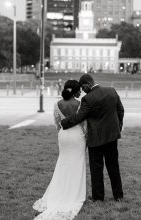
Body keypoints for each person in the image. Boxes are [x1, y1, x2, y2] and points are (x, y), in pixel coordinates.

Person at [60, 74, 124, 202]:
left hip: (96, 139)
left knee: (96, 168)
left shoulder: (88, 99)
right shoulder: (111, 91)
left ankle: (98, 197)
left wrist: (64, 123)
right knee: (113, 166)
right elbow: (120, 110)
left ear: (87, 84)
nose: (82, 91)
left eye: (83, 88)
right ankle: (118, 196)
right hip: (112, 137)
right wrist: (118, 127)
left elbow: (79, 117)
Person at [33, 80, 87, 220]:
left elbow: (57, 124)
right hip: (77, 136)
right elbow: (84, 124)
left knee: (62, 163)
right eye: (79, 90)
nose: (80, 92)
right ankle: (74, 193)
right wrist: (85, 137)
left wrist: (62, 135)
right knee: (77, 163)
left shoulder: (57, 104)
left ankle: (59, 191)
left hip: (63, 136)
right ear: (75, 91)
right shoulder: (80, 104)